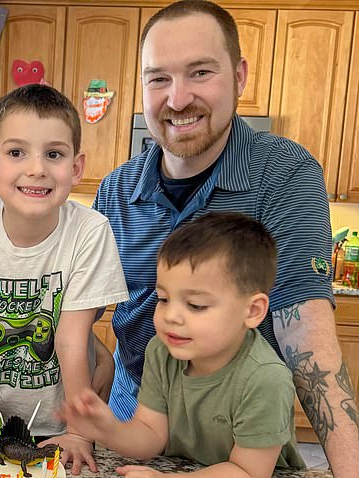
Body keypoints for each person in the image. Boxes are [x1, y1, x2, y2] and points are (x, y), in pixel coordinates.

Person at [95, 1, 359, 475]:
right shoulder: (115, 190)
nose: (177, 99)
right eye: (158, 78)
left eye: (200, 72)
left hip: (238, 443)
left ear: (239, 76)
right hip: (133, 426)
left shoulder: (284, 173)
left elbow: (306, 336)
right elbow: (75, 315)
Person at [0, 84, 129, 474]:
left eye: (53, 154)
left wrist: (78, 431)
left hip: (60, 423)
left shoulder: (90, 231)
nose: (37, 168)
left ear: (76, 168)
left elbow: (72, 338)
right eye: (17, 152)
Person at [60, 212, 306, 477]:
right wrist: (107, 428)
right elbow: (151, 435)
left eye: (196, 305)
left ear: (252, 311)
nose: (171, 316)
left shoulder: (266, 378)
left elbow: (247, 471)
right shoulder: (161, 351)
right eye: (163, 299)